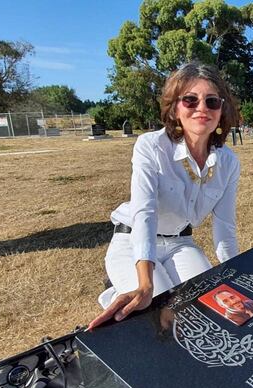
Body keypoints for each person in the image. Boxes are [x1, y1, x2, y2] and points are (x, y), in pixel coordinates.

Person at [88, 62, 241, 330]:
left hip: (181, 244)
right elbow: (144, 214)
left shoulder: (228, 162)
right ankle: (121, 289)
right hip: (132, 240)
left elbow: (224, 227)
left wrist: (235, 276)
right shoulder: (151, 146)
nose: (201, 108)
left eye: (212, 101)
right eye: (190, 100)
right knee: (157, 311)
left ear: (222, 110)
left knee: (204, 307)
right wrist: (145, 283)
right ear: (175, 108)